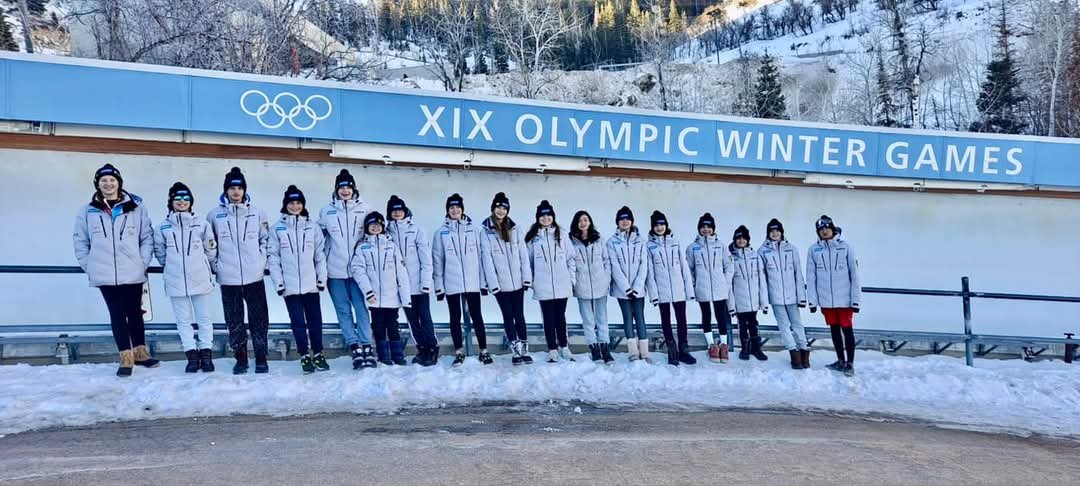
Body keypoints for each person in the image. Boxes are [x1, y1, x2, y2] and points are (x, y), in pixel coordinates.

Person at [73, 163, 158, 377]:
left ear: (119, 183)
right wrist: (89, 265)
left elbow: (147, 237)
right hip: (104, 273)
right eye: (104, 181)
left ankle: (141, 353)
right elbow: (80, 240)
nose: (108, 184)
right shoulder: (87, 211)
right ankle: (126, 357)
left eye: (112, 180)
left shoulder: (136, 207)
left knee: (135, 313)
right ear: (98, 184)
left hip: (132, 270)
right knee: (117, 314)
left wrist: (142, 262)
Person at [207, 167, 271, 375]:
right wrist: (217, 266)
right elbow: (210, 245)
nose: (236, 192)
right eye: (232, 188)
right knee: (234, 321)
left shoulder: (257, 213)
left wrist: (261, 262)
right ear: (226, 190)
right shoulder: (214, 215)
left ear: (244, 190)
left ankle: (261, 357)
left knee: (259, 319)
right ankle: (241, 358)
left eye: (240, 188)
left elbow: (266, 240)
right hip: (229, 278)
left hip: (254, 277)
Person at [153, 182, 217, 373]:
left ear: (191, 201)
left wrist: (204, 265)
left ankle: (206, 354)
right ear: (171, 202)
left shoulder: (202, 224)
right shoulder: (162, 227)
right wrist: (171, 266)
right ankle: (191, 355)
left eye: (186, 198)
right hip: (175, 280)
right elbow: (160, 252)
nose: (182, 202)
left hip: (200, 277)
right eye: (178, 198)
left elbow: (210, 249)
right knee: (183, 320)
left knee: (204, 318)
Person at [268, 185, 329, 375]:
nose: (295, 206)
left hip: (311, 285)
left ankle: (318, 353)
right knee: (298, 323)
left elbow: (320, 255)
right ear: (285, 205)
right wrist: (279, 283)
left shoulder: (312, 227)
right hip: (290, 286)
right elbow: (273, 258)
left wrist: (321, 279)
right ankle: (304, 355)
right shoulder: (277, 229)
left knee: (315, 321)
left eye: (298, 203)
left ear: (303, 205)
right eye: (291, 203)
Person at [318, 169, 375, 369]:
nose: (345, 191)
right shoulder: (326, 211)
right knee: (343, 310)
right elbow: (318, 239)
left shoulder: (365, 209)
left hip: (358, 272)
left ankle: (367, 345)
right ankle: (354, 346)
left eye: (348, 187)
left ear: (354, 189)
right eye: (341, 187)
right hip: (335, 271)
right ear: (336, 190)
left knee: (361, 308)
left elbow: (373, 234)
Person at [432, 194, 493, 367]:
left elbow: (481, 257)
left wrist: (484, 283)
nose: (455, 210)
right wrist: (439, 287)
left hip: (472, 282)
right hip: (451, 282)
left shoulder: (474, 230)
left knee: (477, 316)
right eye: (451, 207)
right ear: (447, 210)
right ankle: (459, 351)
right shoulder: (441, 232)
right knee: (455, 317)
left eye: (457, 207)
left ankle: (483, 350)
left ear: (462, 209)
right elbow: (438, 260)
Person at [479, 192, 534, 366]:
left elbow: (523, 254)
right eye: (498, 207)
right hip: (501, 285)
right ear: (493, 208)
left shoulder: (515, 228)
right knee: (508, 316)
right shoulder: (486, 231)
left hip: (517, 282)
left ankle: (524, 350)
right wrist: (492, 284)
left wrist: (526, 278)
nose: (501, 211)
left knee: (520, 316)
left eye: (504, 208)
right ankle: (515, 351)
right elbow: (486, 260)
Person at [351, 211, 412, 366]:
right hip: (374, 297)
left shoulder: (391, 246)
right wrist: (368, 291)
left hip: (392, 297)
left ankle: (397, 354)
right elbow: (358, 270)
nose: (375, 228)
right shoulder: (362, 247)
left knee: (392, 325)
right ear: (367, 227)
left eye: (378, 225)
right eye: (372, 225)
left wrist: (405, 297)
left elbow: (401, 272)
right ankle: (383, 354)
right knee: (378, 326)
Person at [386, 195, 439, 367]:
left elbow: (426, 259)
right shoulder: (386, 234)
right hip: (402, 287)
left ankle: (432, 347)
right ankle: (421, 348)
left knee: (425, 318)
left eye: (400, 210)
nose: (397, 213)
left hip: (418, 284)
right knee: (412, 320)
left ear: (405, 211)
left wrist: (426, 282)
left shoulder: (416, 230)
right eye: (394, 210)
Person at [806, 215, 861, 376]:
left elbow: (855, 275)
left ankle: (850, 363)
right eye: (821, 229)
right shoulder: (814, 249)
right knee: (834, 330)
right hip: (826, 300)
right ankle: (840, 360)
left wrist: (856, 300)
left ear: (832, 228)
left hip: (844, 300)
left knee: (847, 330)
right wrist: (812, 301)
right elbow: (811, 276)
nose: (824, 231)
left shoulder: (845, 247)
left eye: (826, 228)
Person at [525, 200, 576, 363]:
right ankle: (552, 349)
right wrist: (533, 282)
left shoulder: (562, 235)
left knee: (560, 317)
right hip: (543, 285)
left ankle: (564, 346)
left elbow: (571, 258)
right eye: (542, 215)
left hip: (562, 284)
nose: (545, 218)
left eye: (548, 215)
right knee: (548, 318)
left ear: (553, 216)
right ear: (538, 218)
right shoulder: (533, 239)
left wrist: (571, 278)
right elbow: (528, 263)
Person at [645, 211, 697, 366]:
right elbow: (650, 272)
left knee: (682, 320)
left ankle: (684, 350)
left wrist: (689, 290)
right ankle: (672, 351)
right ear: (652, 227)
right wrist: (654, 294)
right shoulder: (649, 246)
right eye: (656, 225)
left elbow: (684, 267)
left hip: (678, 288)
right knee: (666, 321)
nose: (659, 227)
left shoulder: (675, 242)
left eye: (662, 224)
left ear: (666, 225)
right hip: (662, 291)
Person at [760, 218, 811, 370]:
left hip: (792, 296)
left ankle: (804, 352)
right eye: (772, 231)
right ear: (768, 233)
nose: (775, 233)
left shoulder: (791, 249)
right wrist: (764, 300)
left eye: (777, 230)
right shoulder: (762, 251)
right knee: (784, 326)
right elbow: (762, 278)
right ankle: (794, 355)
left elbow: (798, 274)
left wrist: (802, 297)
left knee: (797, 324)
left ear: (782, 232)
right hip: (776, 297)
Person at [686, 213, 734, 363]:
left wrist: (725, 283)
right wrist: (694, 285)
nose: (706, 229)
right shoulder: (692, 248)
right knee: (706, 315)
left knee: (721, 316)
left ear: (713, 228)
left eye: (709, 227)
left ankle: (724, 345)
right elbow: (689, 269)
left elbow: (729, 266)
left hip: (720, 288)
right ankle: (711, 345)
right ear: (699, 229)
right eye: (703, 227)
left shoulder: (721, 246)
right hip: (702, 288)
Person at [570, 210, 613, 364]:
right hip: (582, 286)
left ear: (590, 222)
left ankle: (605, 348)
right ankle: (594, 348)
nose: (583, 223)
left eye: (585, 220)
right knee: (588, 320)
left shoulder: (599, 239)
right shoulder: (571, 241)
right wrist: (573, 283)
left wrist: (606, 279)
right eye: (580, 221)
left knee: (602, 318)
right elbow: (571, 263)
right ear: (576, 223)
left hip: (600, 284)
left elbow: (607, 260)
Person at [607, 206, 650, 363]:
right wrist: (626, 288)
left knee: (640, 317)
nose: (624, 221)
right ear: (617, 222)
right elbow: (614, 266)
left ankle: (644, 353)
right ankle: (633, 352)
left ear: (632, 221)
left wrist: (637, 287)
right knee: (627, 318)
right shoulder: (612, 242)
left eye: (627, 218)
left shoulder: (640, 241)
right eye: (621, 219)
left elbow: (644, 264)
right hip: (622, 290)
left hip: (638, 289)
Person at [728, 225, 769, 361]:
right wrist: (731, 305)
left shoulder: (755, 256)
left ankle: (756, 348)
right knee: (742, 325)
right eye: (738, 238)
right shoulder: (731, 257)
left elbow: (761, 279)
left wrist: (763, 302)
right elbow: (729, 283)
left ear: (748, 240)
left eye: (744, 238)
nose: (741, 241)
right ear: (735, 240)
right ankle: (744, 348)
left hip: (753, 300)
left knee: (753, 324)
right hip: (739, 301)